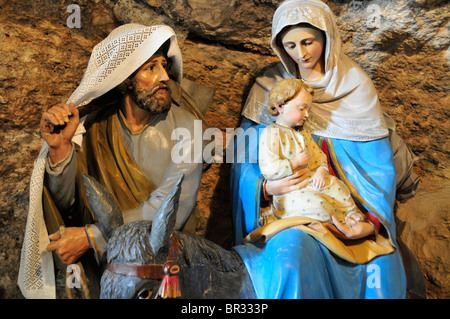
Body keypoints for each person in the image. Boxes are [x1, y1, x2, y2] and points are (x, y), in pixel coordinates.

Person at [231, 0, 415, 298]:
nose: (300, 54)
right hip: (292, 216)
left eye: (308, 42)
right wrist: (266, 188)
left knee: (381, 271)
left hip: (350, 213)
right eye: (289, 45)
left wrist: (369, 224)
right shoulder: (269, 88)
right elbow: (245, 165)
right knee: (291, 257)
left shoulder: (356, 87)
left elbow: (377, 169)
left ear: (326, 38)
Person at [18, 24, 207, 299]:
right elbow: (69, 206)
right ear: (126, 78)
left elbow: (171, 208)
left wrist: (90, 236)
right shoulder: (94, 127)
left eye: (164, 66)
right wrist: (61, 150)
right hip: (103, 265)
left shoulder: (189, 128)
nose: (165, 76)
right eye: (150, 68)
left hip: (163, 265)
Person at [259, 78, 367, 230]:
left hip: (312, 181)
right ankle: (332, 222)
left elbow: (319, 157)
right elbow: (269, 169)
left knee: (336, 185)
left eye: (308, 109)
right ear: (280, 106)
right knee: (316, 204)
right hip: (292, 191)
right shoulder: (272, 133)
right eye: (302, 108)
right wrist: (295, 163)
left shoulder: (304, 134)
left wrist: (321, 172)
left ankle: (350, 213)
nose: (307, 114)